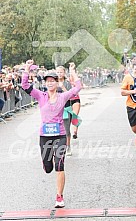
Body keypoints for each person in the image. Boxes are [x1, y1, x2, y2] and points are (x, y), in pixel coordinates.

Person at [21, 60, 82, 208]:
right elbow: (25, 86)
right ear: (45, 83)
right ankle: (46, 164)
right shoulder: (40, 96)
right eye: (47, 81)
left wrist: (72, 71)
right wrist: (27, 69)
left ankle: (59, 196)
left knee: (59, 164)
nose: (50, 83)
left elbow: (78, 87)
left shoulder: (62, 96)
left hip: (60, 135)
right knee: (48, 168)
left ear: (57, 82)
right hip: (45, 136)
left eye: (52, 81)